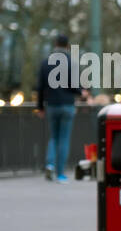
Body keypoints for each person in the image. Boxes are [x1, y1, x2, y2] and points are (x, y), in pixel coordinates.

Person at [34, 33, 88, 183]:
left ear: (55, 44)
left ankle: (50, 164)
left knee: (54, 137)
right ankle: (60, 174)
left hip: (51, 104)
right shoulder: (71, 63)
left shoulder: (45, 63)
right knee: (64, 138)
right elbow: (74, 85)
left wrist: (40, 107)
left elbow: (40, 87)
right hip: (67, 105)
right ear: (67, 46)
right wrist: (81, 92)